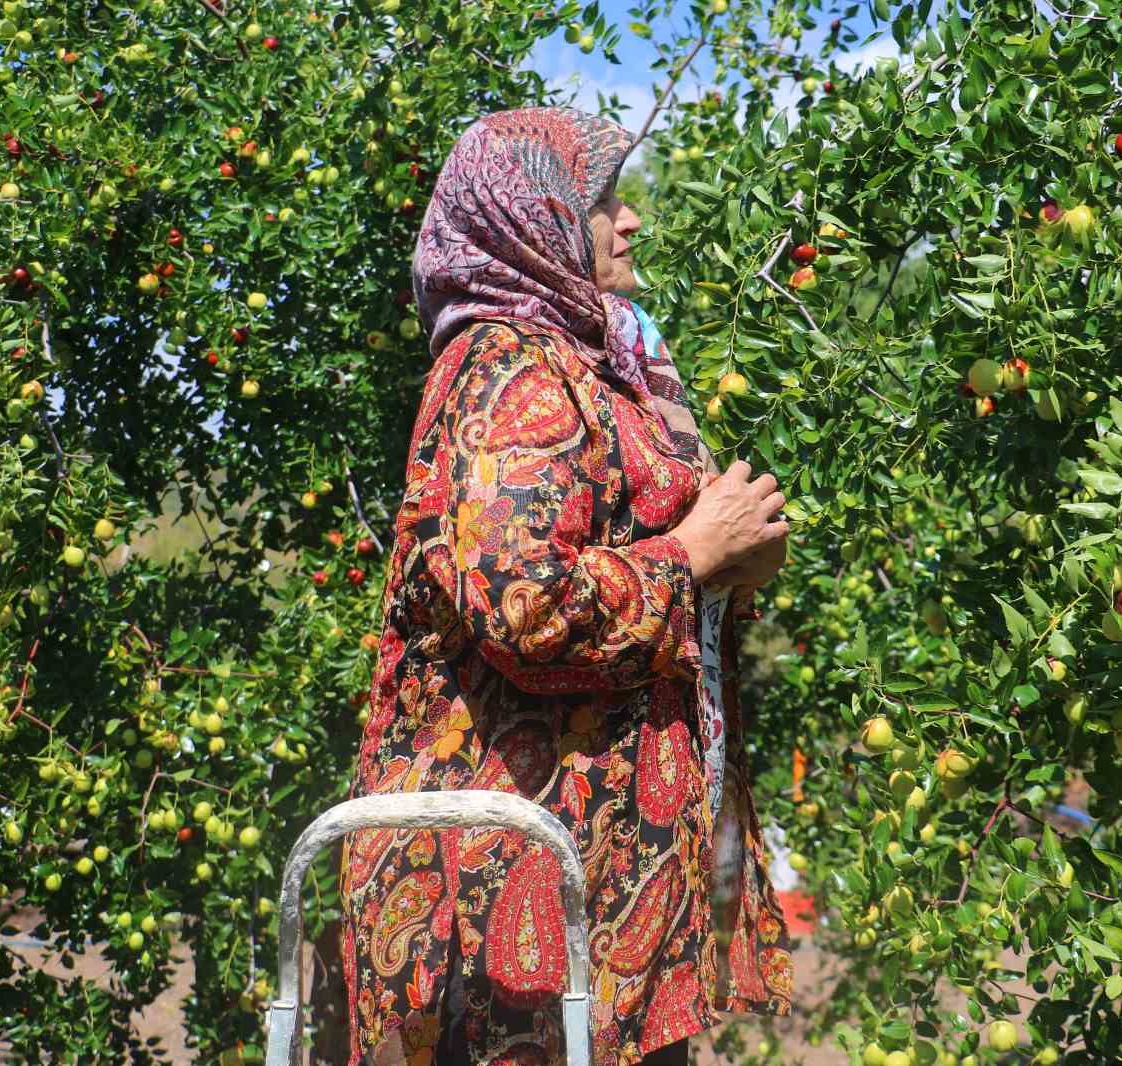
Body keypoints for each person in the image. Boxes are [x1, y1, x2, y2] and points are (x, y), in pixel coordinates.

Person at [338, 106, 794, 1066]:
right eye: (604, 202)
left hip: (594, 886)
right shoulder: (512, 373)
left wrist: (734, 564)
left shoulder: (593, 368)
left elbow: (633, 551)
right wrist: (694, 560)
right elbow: (523, 602)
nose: (632, 222)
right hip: (507, 905)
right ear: (533, 217)